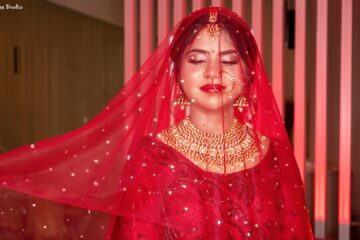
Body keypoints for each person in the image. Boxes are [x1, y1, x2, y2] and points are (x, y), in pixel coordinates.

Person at [0, 7, 314, 239]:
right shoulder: (154, 158)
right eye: (197, 59)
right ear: (176, 74)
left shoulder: (270, 154)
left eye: (229, 60)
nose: (213, 72)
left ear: (249, 75)